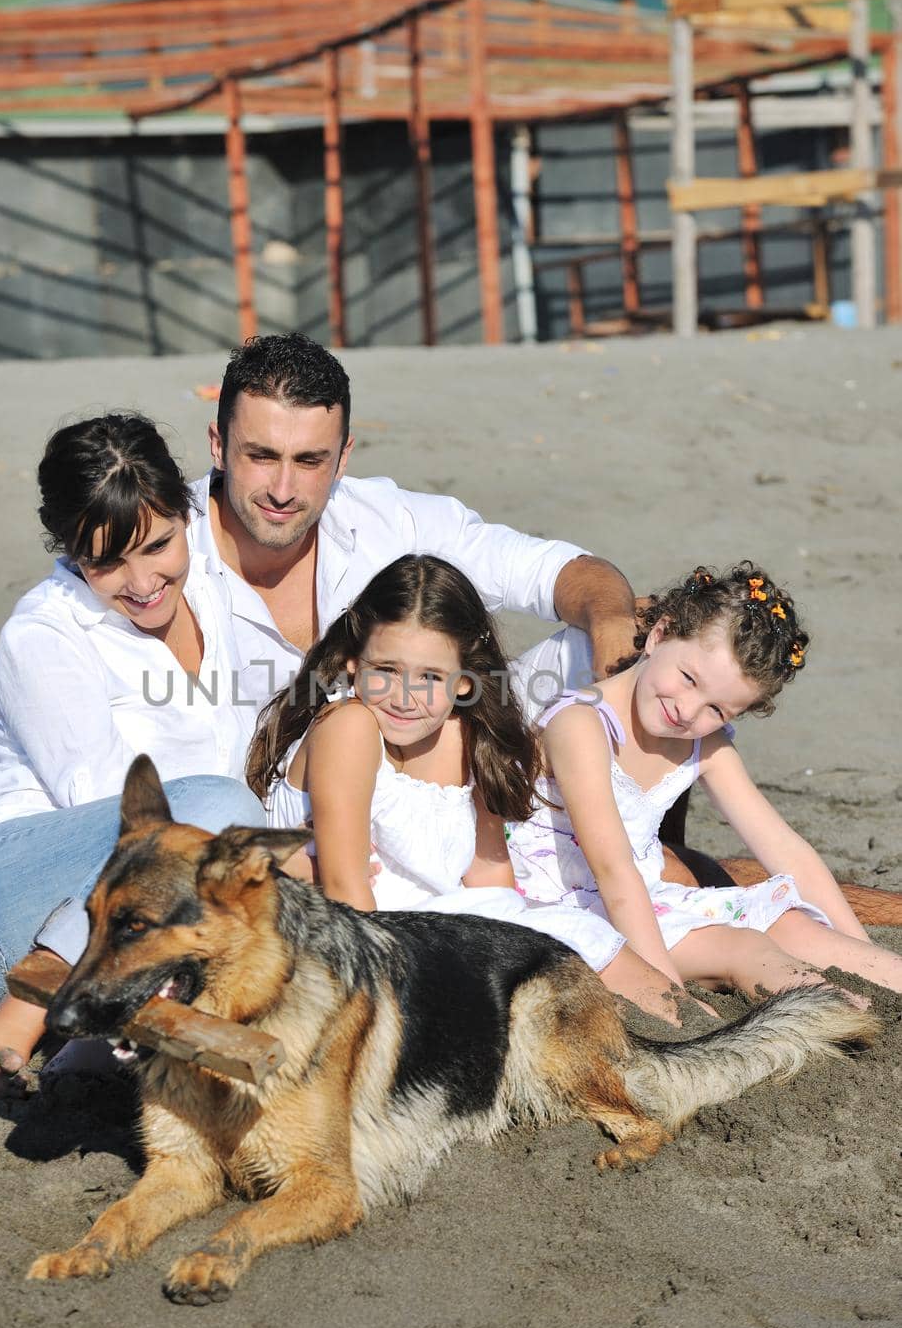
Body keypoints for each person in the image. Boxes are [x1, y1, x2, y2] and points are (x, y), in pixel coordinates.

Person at [0, 411, 265, 1093]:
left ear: (187, 514)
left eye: (158, 545)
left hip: (146, 921)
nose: (140, 582)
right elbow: (119, 821)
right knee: (212, 808)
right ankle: (22, 1017)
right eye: (106, 561)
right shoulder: (45, 636)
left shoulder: (221, 599)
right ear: (69, 549)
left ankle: (95, 1049)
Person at [190, 332, 639, 747]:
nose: (283, 490)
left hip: (410, 776)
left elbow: (561, 572)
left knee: (653, 646)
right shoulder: (156, 551)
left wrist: (614, 626)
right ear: (218, 444)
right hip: (244, 807)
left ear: (343, 457)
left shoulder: (390, 520)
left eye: (310, 461)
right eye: (262, 456)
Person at [506, 563, 902, 1022]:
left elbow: (783, 848)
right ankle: (845, 1021)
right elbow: (612, 868)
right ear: (659, 634)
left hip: (643, 897)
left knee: (787, 920)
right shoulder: (580, 723)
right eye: (689, 678)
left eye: (717, 707)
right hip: (561, 910)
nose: (688, 710)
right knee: (743, 946)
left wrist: (859, 945)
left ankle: (882, 995)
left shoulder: (704, 744)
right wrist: (663, 992)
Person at [246, 553, 624, 974]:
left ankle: (683, 1017)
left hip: (431, 927)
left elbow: (489, 881)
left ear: (463, 680)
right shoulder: (348, 726)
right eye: (387, 670)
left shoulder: (467, 740)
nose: (405, 698)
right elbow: (346, 894)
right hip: (363, 948)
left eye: (429, 677)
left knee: (581, 934)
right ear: (354, 663)